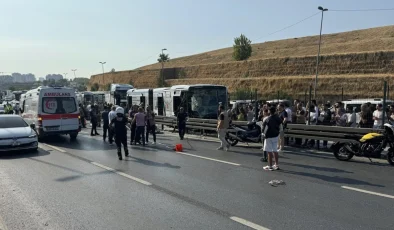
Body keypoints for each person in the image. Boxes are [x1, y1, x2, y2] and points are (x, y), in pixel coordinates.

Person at [262, 106, 283, 171]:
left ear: (269, 111)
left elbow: (264, 128)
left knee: (269, 151)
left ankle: (270, 166)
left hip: (268, 136)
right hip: (276, 136)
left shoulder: (267, 119)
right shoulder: (278, 118)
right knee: (275, 150)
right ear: (275, 111)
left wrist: (263, 134)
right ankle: (276, 165)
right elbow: (281, 127)